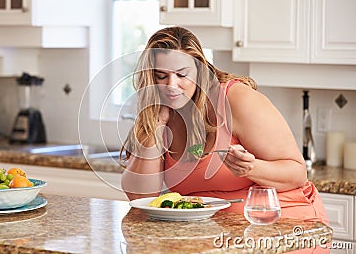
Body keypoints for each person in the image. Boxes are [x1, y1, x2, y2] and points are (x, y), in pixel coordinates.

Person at [120, 26, 328, 225]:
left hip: (282, 223)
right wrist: (156, 125)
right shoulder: (159, 113)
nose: (171, 86)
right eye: (161, 76)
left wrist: (250, 168)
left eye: (182, 74)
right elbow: (141, 197)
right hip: (211, 233)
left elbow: (297, 174)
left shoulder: (235, 99)